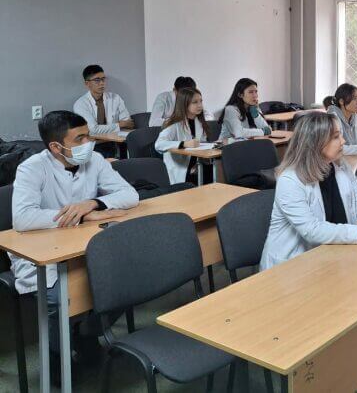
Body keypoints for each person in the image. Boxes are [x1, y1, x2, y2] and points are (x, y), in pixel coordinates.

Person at [10, 110, 137, 366]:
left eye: (88, 135)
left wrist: (93, 203)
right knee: (61, 299)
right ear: (56, 147)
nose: (88, 142)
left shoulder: (95, 160)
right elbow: (22, 218)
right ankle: (57, 358)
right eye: (80, 139)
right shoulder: (32, 168)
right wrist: (79, 216)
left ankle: (86, 334)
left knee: (131, 280)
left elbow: (130, 195)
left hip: (86, 245)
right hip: (42, 253)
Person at [260, 113, 357, 270]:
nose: (343, 141)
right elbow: (312, 230)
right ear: (315, 142)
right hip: (292, 266)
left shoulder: (339, 165)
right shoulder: (290, 180)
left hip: (333, 256)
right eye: (336, 137)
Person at [155, 87, 210, 184]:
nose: (200, 105)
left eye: (201, 101)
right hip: (181, 169)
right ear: (184, 104)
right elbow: (159, 144)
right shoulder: (174, 124)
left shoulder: (199, 122)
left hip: (197, 165)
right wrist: (183, 144)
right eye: (195, 102)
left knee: (215, 171)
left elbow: (202, 144)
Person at [73, 65, 133, 134]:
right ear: (87, 84)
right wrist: (119, 125)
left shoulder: (115, 98)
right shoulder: (80, 104)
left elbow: (128, 123)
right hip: (93, 140)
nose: (102, 83)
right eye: (97, 80)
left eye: (103, 79)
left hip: (116, 138)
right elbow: (92, 130)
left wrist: (122, 125)